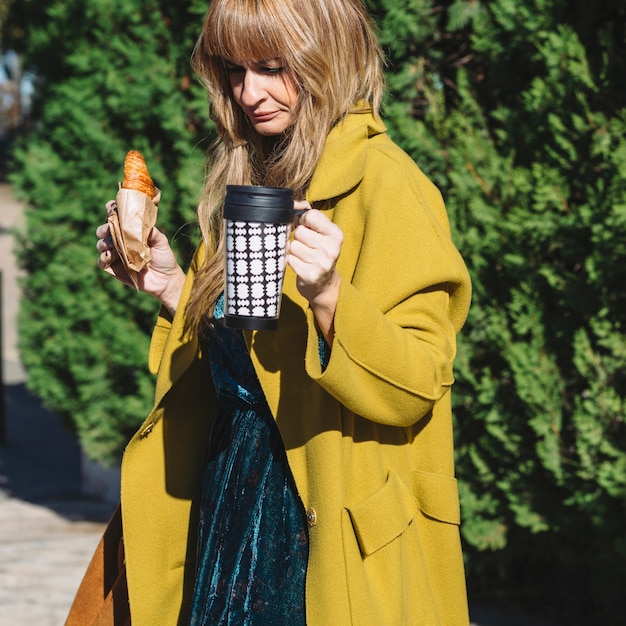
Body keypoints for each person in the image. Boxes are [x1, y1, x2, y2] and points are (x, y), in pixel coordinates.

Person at [93, 0, 472, 624]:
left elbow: (419, 382)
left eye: (271, 66)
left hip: (320, 518)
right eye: (235, 71)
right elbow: (251, 357)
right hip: (234, 495)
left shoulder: (389, 184)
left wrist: (331, 297)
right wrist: (173, 288)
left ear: (327, 55)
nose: (250, 92)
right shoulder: (256, 175)